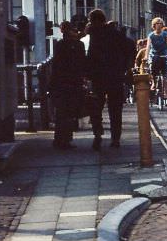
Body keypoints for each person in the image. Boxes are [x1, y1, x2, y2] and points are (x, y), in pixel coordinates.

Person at [85, 9, 133, 149]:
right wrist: (124, 66)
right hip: (115, 76)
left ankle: (97, 133)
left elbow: (90, 57)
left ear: (94, 20)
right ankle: (115, 138)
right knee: (115, 110)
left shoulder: (92, 34)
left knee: (96, 107)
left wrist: (88, 74)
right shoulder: (114, 34)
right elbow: (129, 46)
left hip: (98, 77)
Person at [49, 21, 85, 149]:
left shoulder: (59, 45)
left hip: (60, 82)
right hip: (73, 82)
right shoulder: (79, 45)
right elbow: (81, 64)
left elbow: (56, 66)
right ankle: (66, 139)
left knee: (61, 112)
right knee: (69, 112)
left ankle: (60, 139)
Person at [145, 18, 167, 92]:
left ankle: (165, 90)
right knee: (152, 67)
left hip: (164, 54)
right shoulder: (151, 35)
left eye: (160, 23)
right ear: (154, 25)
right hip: (155, 54)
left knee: (166, 72)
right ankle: (154, 83)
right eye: (157, 23)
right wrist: (146, 56)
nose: (159, 25)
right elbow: (148, 46)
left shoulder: (165, 34)